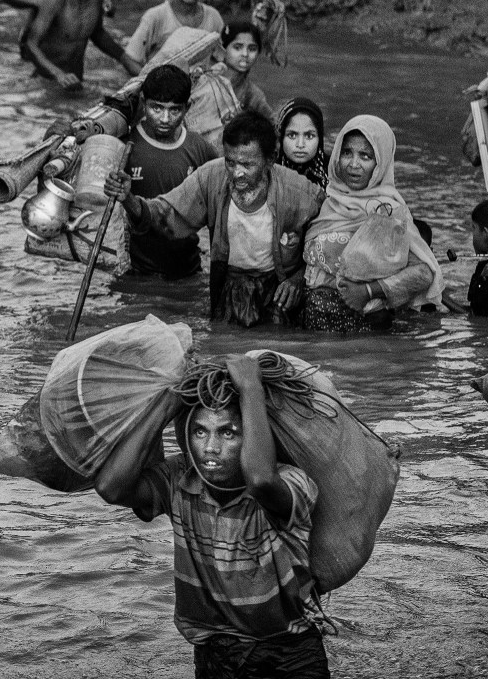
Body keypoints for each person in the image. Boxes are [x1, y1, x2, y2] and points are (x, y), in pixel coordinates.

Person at [96, 355, 330, 679]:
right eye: (200, 432)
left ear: (252, 437)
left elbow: (260, 479)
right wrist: (166, 404)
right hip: (213, 656)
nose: (210, 447)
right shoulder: (179, 480)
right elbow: (111, 487)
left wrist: (250, 387)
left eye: (228, 433)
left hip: (287, 656)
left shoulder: (292, 484)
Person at [104, 111, 323, 328]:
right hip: (229, 284)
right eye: (230, 162)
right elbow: (166, 214)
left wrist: (298, 278)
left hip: (279, 289)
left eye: (247, 165)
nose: (237, 173)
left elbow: (327, 238)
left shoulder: (300, 192)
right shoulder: (211, 177)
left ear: (270, 160)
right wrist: (128, 200)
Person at [300, 115, 444, 332]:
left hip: (366, 331)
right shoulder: (327, 201)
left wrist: (368, 291)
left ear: (380, 163)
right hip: (315, 324)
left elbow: (424, 273)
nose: (353, 164)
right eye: (347, 153)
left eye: (365, 156)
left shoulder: (388, 211)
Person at [125, 66, 219, 279]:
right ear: (143, 103)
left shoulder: (199, 148)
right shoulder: (126, 146)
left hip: (187, 269)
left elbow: (221, 197)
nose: (165, 119)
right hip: (136, 271)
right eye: (156, 109)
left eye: (174, 110)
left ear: (187, 107)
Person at [273, 98, 329, 189]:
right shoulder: (268, 174)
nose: (300, 144)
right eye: (292, 135)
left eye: (309, 136)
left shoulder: (336, 173)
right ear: (282, 137)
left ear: (320, 138)